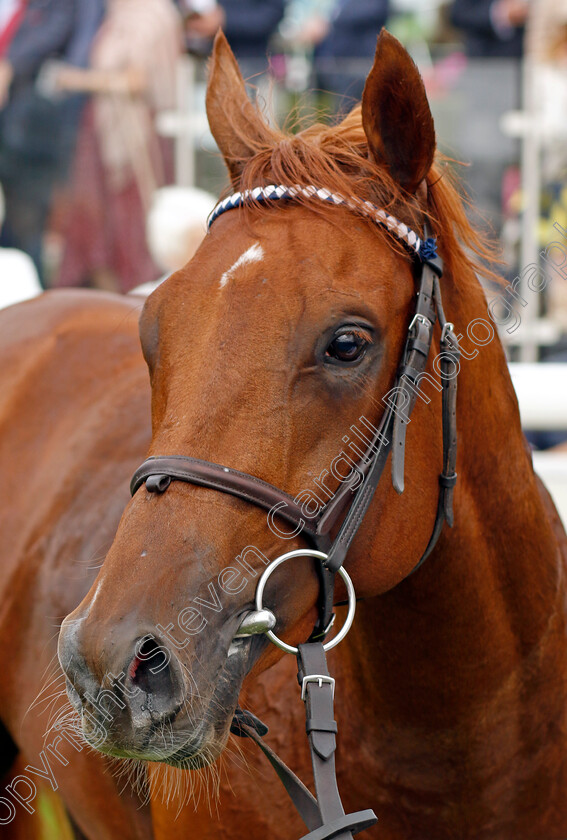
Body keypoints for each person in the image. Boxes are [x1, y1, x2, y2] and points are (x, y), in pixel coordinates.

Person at [53, 0, 182, 294]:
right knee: (96, 225)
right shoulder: (112, 15)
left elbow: (137, 81)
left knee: (132, 229)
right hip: (101, 127)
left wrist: (76, 80)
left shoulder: (150, 16)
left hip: (133, 136)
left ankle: (134, 307)